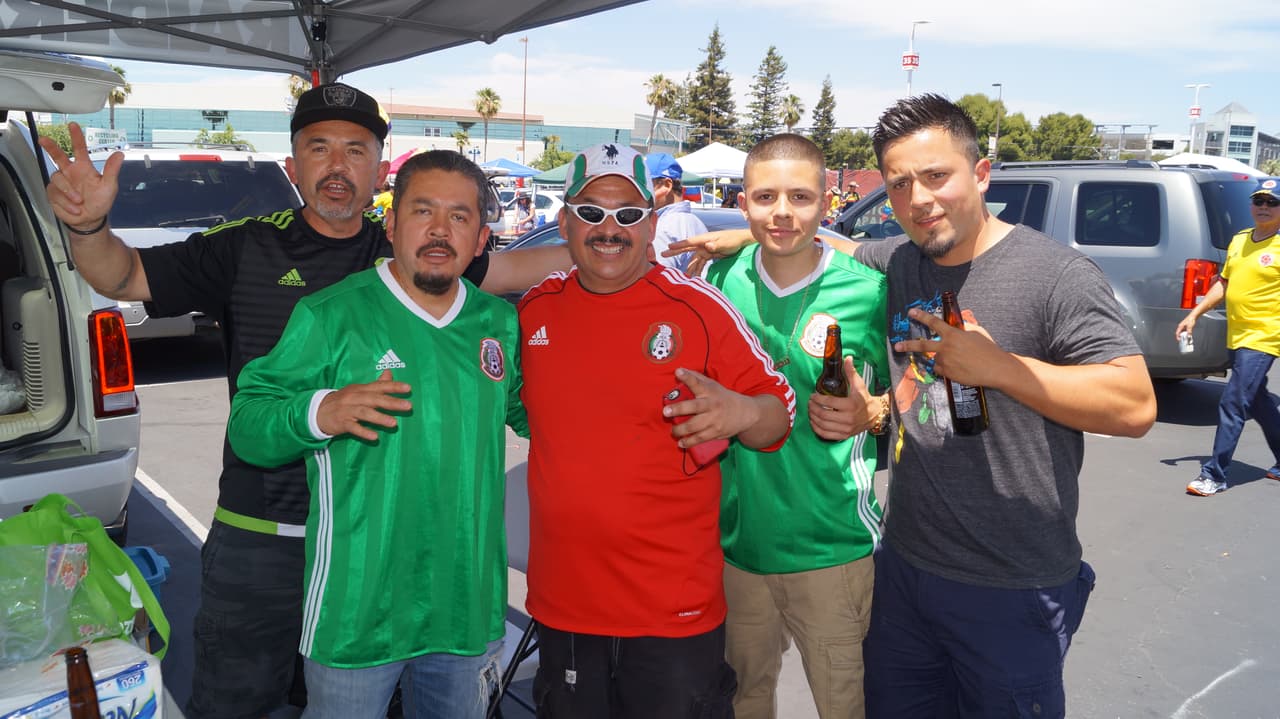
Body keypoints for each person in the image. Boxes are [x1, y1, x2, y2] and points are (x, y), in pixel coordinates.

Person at [40, 81, 568, 719]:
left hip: (387, 548)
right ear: (293, 165)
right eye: (319, 148)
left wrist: (617, 241)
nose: (337, 164)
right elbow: (122, 274)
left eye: (355, 149)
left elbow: (509, 282)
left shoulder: (415, 254)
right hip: (265, 531)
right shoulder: (247, 245)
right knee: (240, 702)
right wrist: (90, 224)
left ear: (378, 171)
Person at [850, 94, 1156, 718]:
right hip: (905, 572)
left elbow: (1134, 405)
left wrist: (1003, 370)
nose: (919, 200)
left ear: (981, 173)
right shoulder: (903, 261)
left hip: (1013, 587)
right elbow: (824, 245)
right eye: (900, 184)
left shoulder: (1056, 275)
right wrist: (747, 229)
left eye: (937, 176)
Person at [226, 150, 524, 718]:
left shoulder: (498, 323)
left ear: (482, 237)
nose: (440, 230)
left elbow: (543, 416)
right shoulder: (330, 314)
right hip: (356, 614)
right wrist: (320, 411)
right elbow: (249, 428)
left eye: (460, 216)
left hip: (466, 610)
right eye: (423, 211)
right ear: (390, 223)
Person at [518, 142, 796, 718]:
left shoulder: (700, 308)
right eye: (591, 212)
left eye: (627, 214)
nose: (609, 229)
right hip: (566, 607)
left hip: (674, 612)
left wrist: (742, 414)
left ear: (650, 223)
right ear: (565, 222)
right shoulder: (533, 311)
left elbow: (778, 412)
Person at [702, 133, 888, 719]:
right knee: (743, 702)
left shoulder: (869, 291)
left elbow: (918, 391)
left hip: (833, 550)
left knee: (845, 707)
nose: (782, 212)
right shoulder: (716, 279)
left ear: (827, 202)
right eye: (765, 197)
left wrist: (875, 411)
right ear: (744, 202)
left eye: (801, 197)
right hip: (738, 549)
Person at [1178, 177, 1280, 496]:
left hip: (1264, 337)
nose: (1263, 207)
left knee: (1234, 400)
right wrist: (1194, 314)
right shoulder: (1240, 240)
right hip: (1237, 333)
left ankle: (1215, 474)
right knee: (1258, 400)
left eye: (1272, 202)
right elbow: (1223, 283)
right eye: (1259, 201)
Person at [646, 152, 708, 272]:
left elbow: (656, 281)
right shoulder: (696, 222)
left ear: (666, 185)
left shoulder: (662, 228)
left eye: (645, 185)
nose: (638, 192)